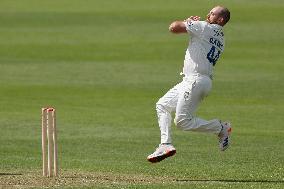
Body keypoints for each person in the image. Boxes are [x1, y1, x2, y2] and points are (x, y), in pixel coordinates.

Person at [147, 6, 232, 163]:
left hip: (195, 80)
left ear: (220, 19)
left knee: (182, 122)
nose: (208, 14)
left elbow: (173, 27)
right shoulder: (221, 37)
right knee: (162, 105)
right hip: (195, 80)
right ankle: (165, 144)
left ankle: (221, 128)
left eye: (212, 13)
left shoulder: (204, 27)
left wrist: (188, 21)